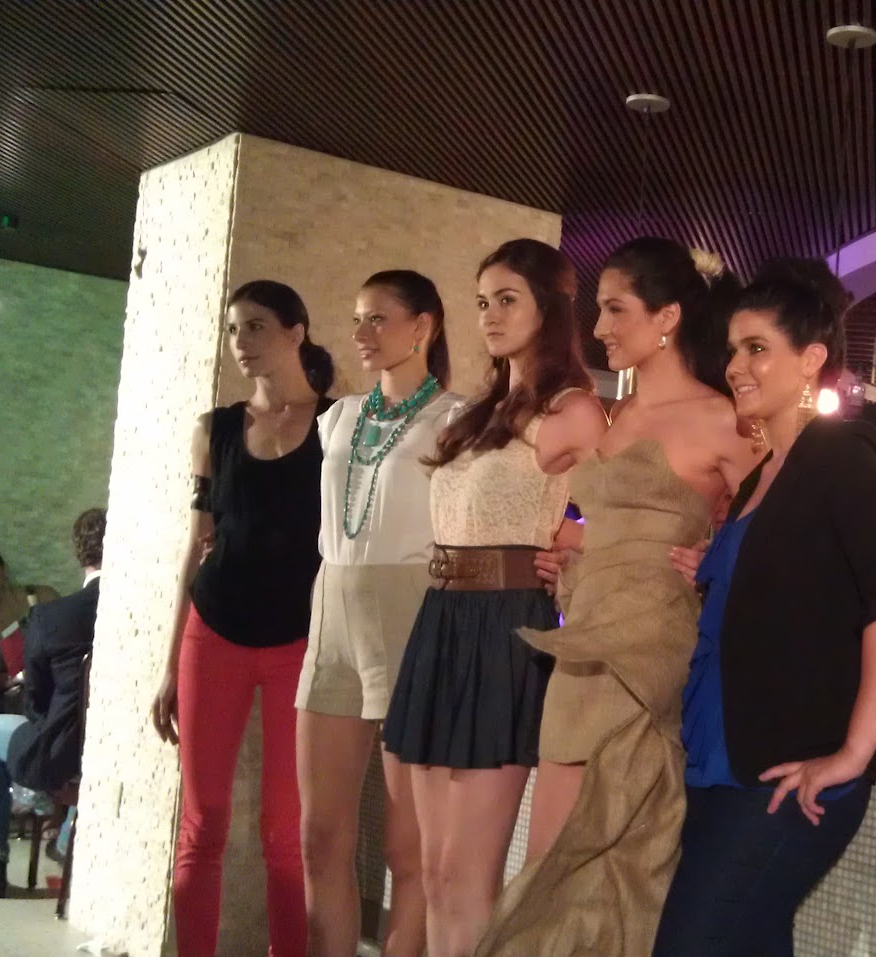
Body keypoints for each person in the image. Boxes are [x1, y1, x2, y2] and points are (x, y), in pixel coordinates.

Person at [475, 238, 759, 957]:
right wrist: (573, 556)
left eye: (614, 309)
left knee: (616, 870)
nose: (598, 327)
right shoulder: (614, 416)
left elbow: (780, 535)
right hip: (582, 647)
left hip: (649, 652)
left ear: (667, 317)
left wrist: (719, 559)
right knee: (550, 869)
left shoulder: (723, 419)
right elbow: (608, 524)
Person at [651, 259, 876, 957]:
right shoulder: (759, 478)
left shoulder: (839, 451)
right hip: (720, 755)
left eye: (757, 348)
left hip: (788, 769)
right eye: (732, 349)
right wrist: (712, 573)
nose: (736, 366)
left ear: (811, 359)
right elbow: (789, 589)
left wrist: (854, 753)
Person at [381, 238, 606, 957]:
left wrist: (570, 545)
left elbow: (626, 515)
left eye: (508, 299)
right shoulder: (479, 408)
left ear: (550, 308)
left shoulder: (573, 410)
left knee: (465, 876)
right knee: (431, 873)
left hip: (506, 627)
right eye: (482, 302)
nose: (490, 315)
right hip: (442, 619)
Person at [148, 280, 334, 957]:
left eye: (255, 326)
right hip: (214, 629)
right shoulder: (216, 429)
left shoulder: (336, 426)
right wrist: (170, 663)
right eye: (233, 329)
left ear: (296, 332)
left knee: (285, 831)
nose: (240, 342)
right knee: (203, 822)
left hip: (299, 641)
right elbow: (196, 546)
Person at [297, 270, 461, 957]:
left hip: (410, 608)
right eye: (357, 318)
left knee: (407, 848)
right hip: (331, 605)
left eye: (378, 318)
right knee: (319, 835)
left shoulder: (455, 419)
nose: (361, 333)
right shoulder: (337, 417)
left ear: (423, 326)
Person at [0, 509, 104, 898]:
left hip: (62, 750)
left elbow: (35, 701)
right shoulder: (145, 612)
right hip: (111, 748)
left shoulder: (51, 615)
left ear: (79, 553)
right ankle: (61, 839)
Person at [0, 546, 60, 711]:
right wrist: (21, 677)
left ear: (4, 568)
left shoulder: (42, 595)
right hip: (15, 693)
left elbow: (68, 638)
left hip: (55, 678)